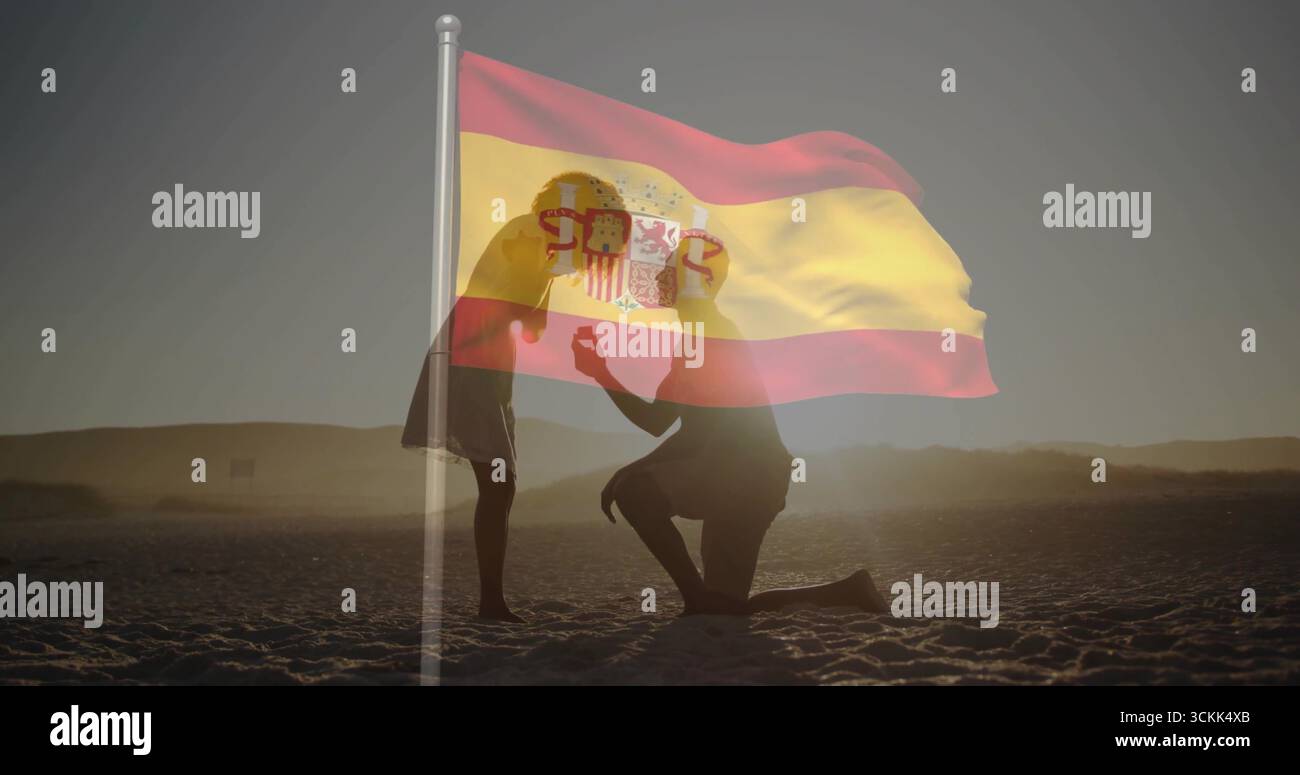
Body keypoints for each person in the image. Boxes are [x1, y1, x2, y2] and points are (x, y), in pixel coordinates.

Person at [570, 237, 889, 615]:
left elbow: (698, 434)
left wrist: (628, 471)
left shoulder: (712, 334)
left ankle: (696, 601)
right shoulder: (695, 338)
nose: (659, 278)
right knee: (726, 606)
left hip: (746, 476)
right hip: (743, 476)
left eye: (670, 271)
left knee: (635, 492)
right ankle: (848, 592)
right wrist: (600, 372)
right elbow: (657, 421)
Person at [404, 171, 627, 622]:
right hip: (474, 352)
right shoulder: (533, 234)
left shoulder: (543, 238)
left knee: (500, 483)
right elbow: (523, 313)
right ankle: (491, 603)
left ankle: (492, 601)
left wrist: (548, 283)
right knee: (498, 482)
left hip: (486, 353)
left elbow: (530, 324)